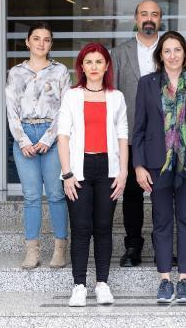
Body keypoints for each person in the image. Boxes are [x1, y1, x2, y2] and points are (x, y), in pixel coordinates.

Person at [133, 31, 186, 304]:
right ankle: (165, 279)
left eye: (177, 50)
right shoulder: (146, 84)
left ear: (185, 54)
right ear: (160, 55)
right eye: (167, 50)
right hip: (158, 165)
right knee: (162, 221)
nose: (172, 55)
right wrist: (139, 166)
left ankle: (185, 279)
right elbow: (139, 129)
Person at [57, 43, 128, 307]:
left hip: (108, 169)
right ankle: (79, 286)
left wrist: (123, 172)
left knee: (103, 228)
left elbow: (123, 136)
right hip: (78, 170)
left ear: (107, 66)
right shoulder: (72, 96)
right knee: (81, 228)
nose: (94, 66)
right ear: (82, 67)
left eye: (99, 61)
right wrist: (67, 174)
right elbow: (62, 136)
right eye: (89, 62)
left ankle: (102, 284)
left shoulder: (116, 97)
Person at [5, 22, 70, 270]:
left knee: (56, 194)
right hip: (24, 135)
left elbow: (65, 110)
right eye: (36, 38)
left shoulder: (60, 71)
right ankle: (32, 251)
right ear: (27, 42)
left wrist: (47, 139)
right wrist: (23, 141)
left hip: (52, 137)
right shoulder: (16, 73)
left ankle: (59, 249)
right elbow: (11, 110)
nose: (41, 43)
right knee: (31, 196)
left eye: (46, 39)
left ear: (51, 44)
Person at [112, 0, 162, 267]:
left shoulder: (170, 49)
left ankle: (162, 246)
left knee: (162, 194)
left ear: (160, 19)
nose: (149, 18)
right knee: (132, 193)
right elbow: (113, 96)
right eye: (144, 14)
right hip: (131, 136)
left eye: (154, 14)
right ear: (136, 18)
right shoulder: (120, 53)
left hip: (165, 137)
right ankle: (133, 246)